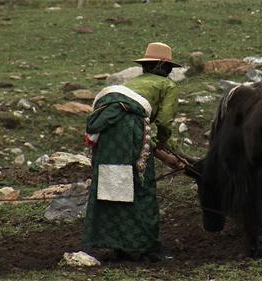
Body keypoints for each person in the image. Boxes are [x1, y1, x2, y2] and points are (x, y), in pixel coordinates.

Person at [83, 42, 184, 262]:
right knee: (141, 185)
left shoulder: (131, 84)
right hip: (130, 131)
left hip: (107, 132)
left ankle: (118, 245)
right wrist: (163, 144)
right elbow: (165, 122)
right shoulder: (168, 86)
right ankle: (148, 249)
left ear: (146, 66)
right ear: (166, 67)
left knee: (112, 184)